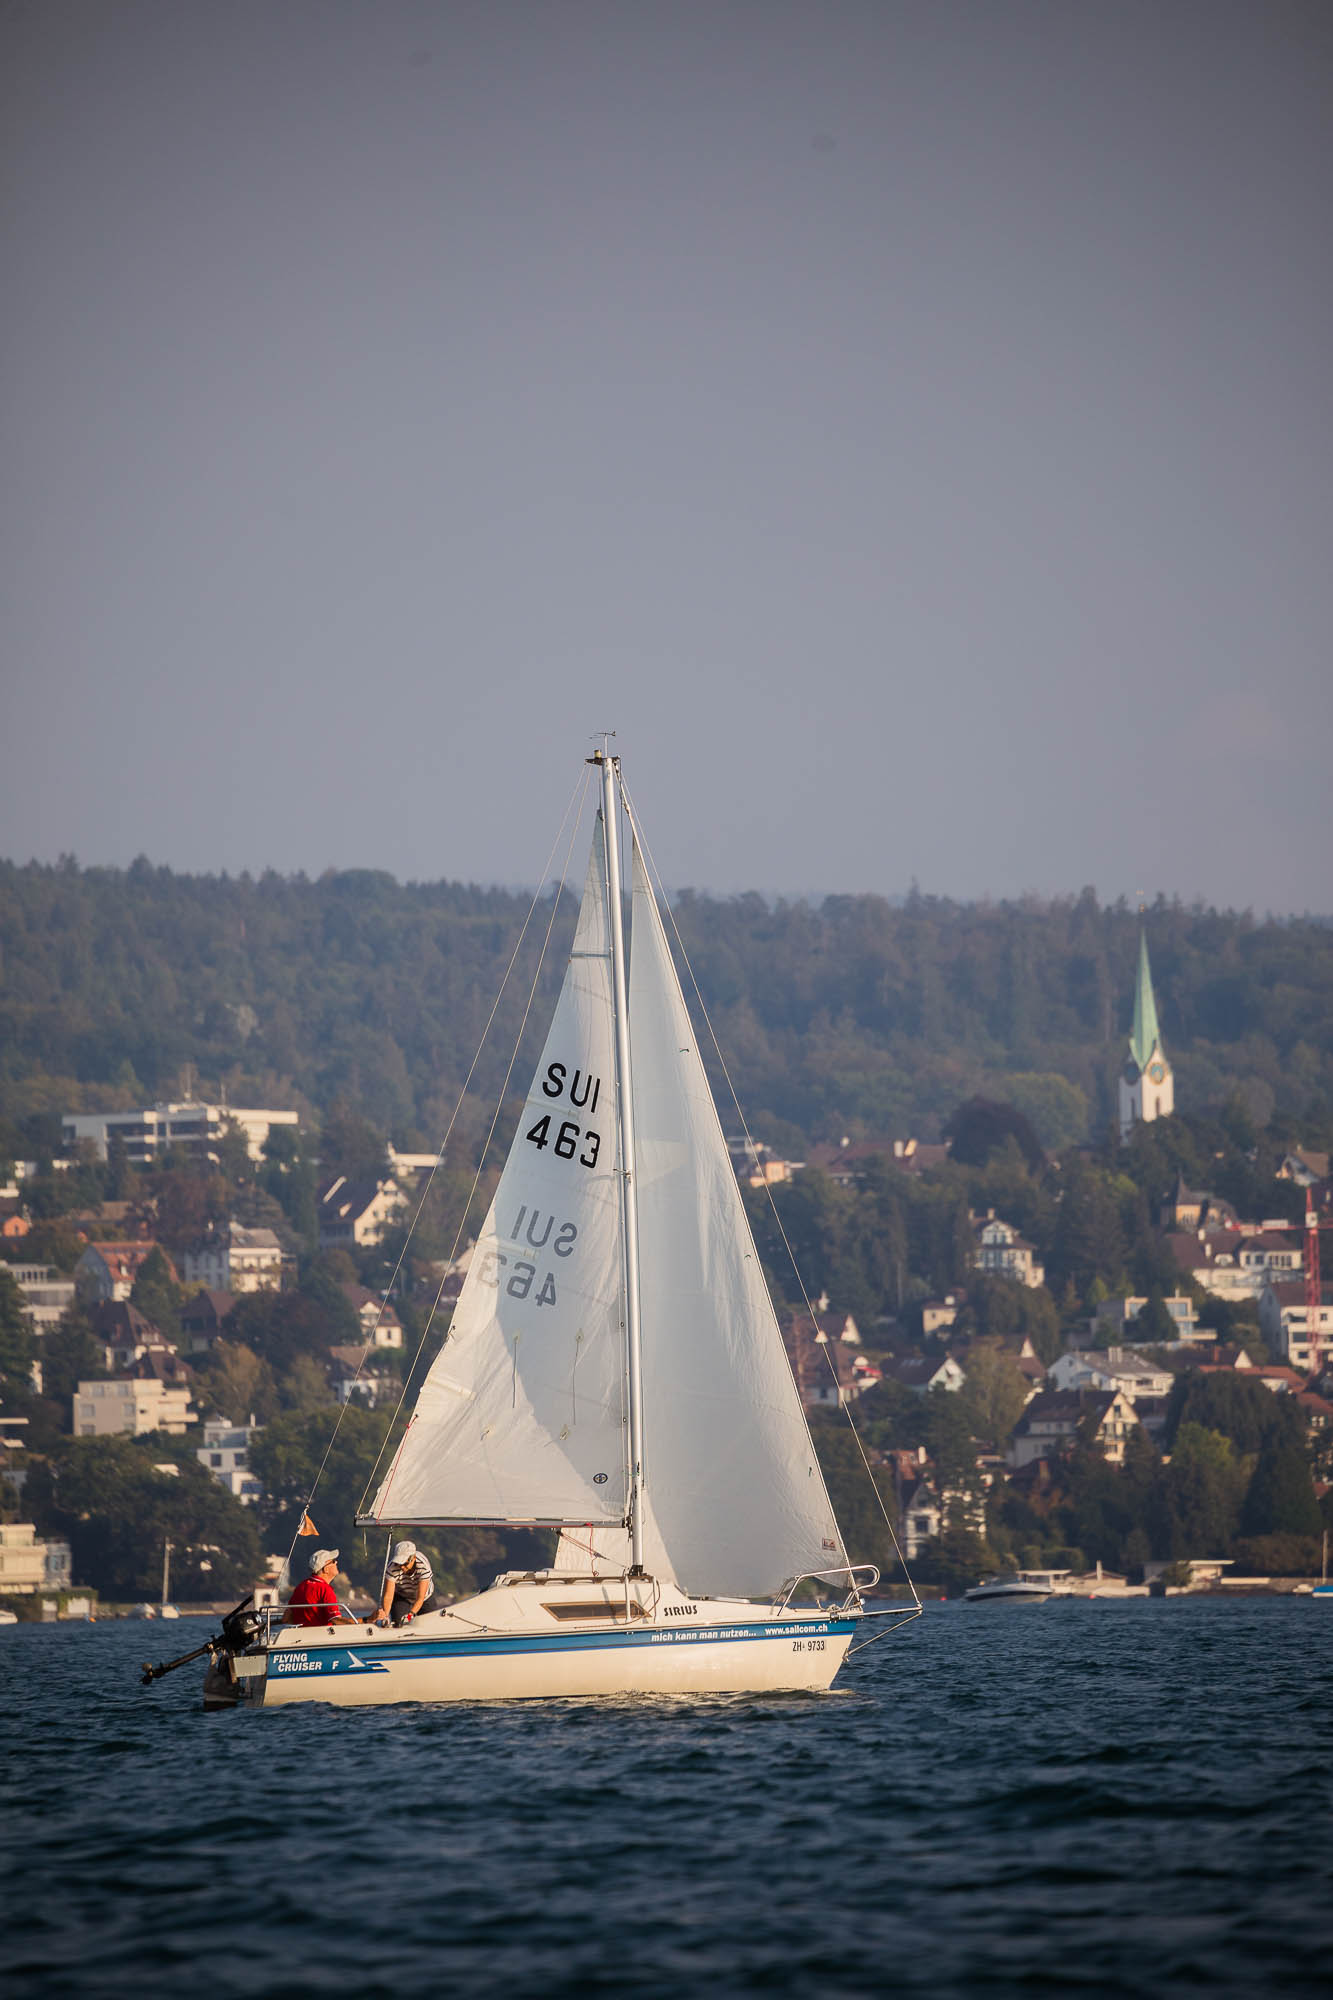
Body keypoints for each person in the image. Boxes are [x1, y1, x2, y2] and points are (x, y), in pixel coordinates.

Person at [284, 1548, 357, 1627]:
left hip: (301, 1636)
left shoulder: (301, 1586)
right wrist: (365, 1621)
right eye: (333, 1561)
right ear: (326, 1569)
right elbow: (336, 1620)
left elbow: (286, 1618)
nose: (336, 1562)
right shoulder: (325, 1589)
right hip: (322, 1636)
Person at [374, 1540, 438, 1626]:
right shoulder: (392, 1568)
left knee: (431, 1624)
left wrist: (409, 1616)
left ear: (413, 1558)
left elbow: (420, 1597)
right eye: (400, 1563)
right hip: (402, 1596)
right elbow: (388, 1596)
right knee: (399, 1623)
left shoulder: (424, 1567)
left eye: (405, 1563)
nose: (402, 1567)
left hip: (424, 1597)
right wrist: (385, 1616)